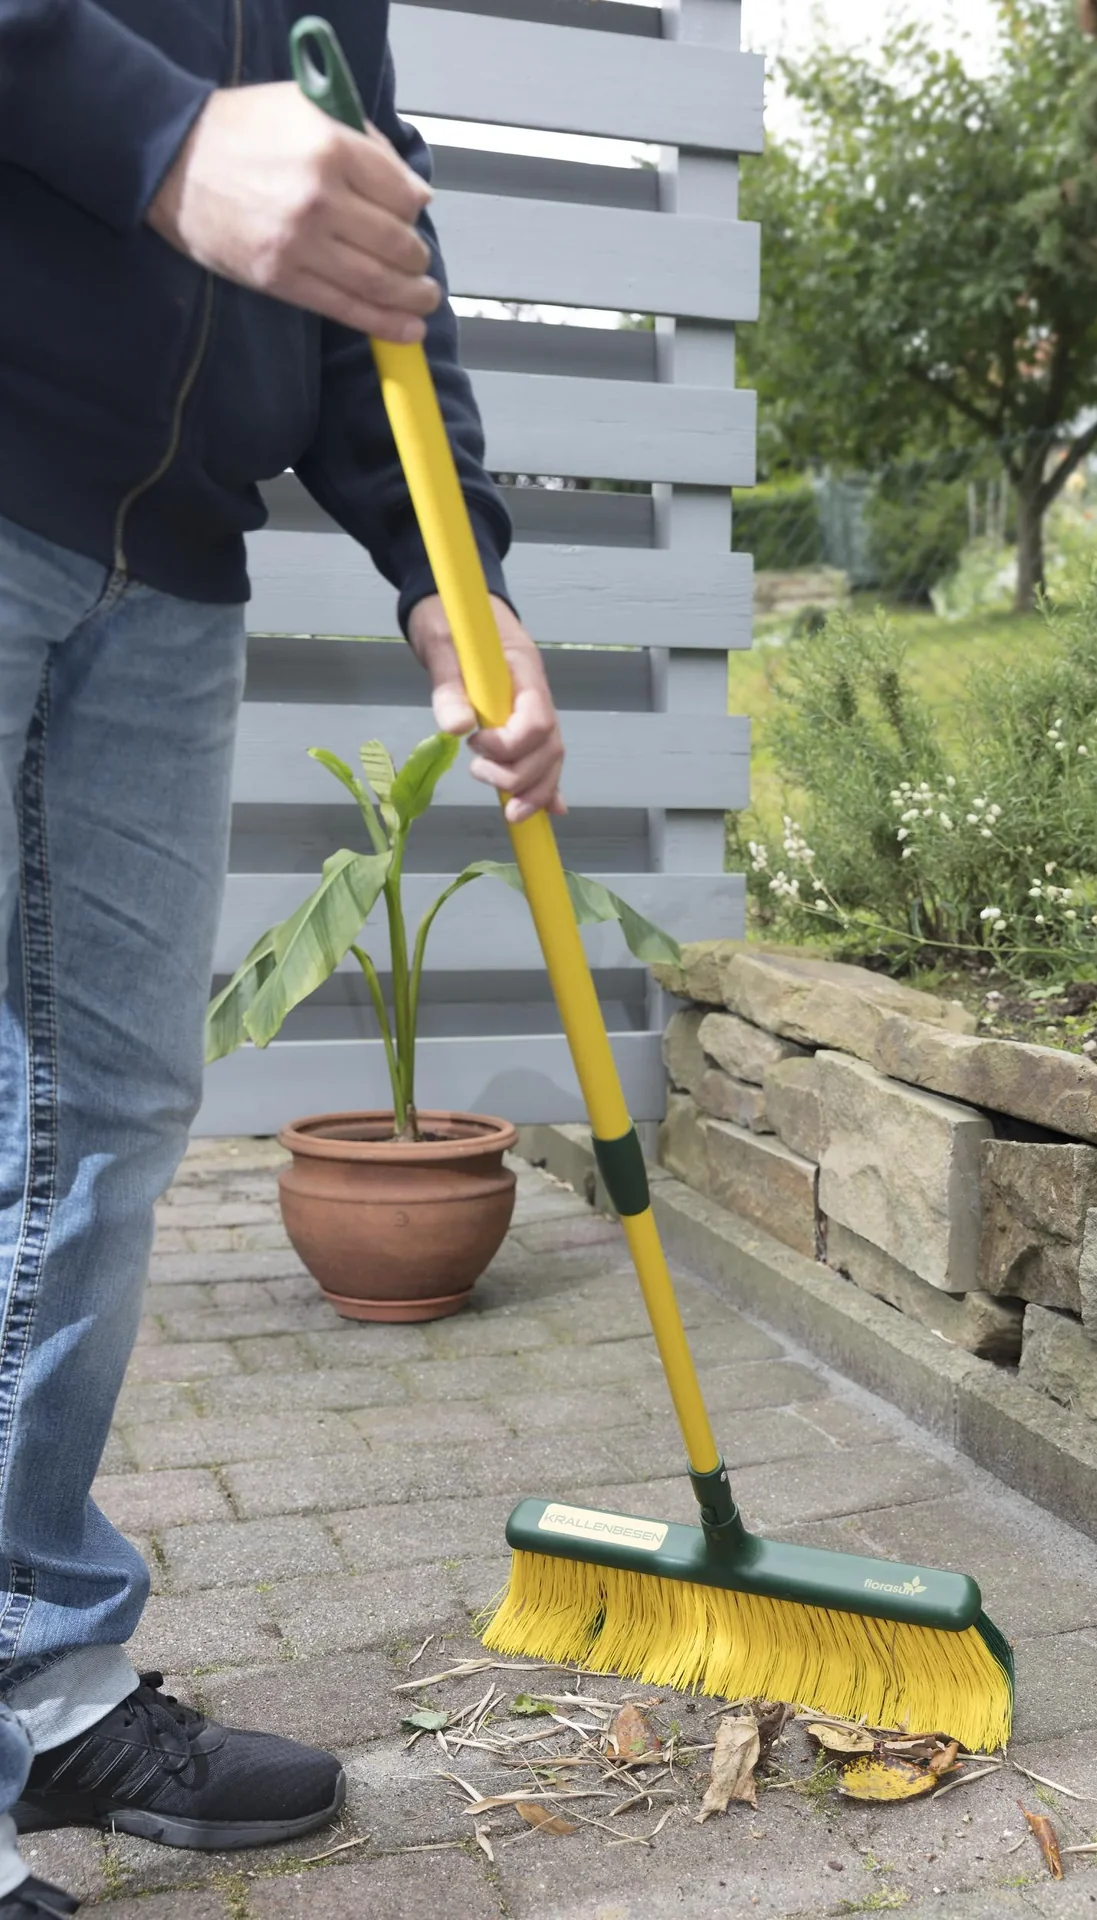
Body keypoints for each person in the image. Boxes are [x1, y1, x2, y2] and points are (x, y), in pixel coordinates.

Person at [0, 0, 565, 1908]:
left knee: (103, 1128)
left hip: (165, 563)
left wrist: (450, 568)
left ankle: (43, 1684)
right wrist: (145, 128)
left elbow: (371, 274)